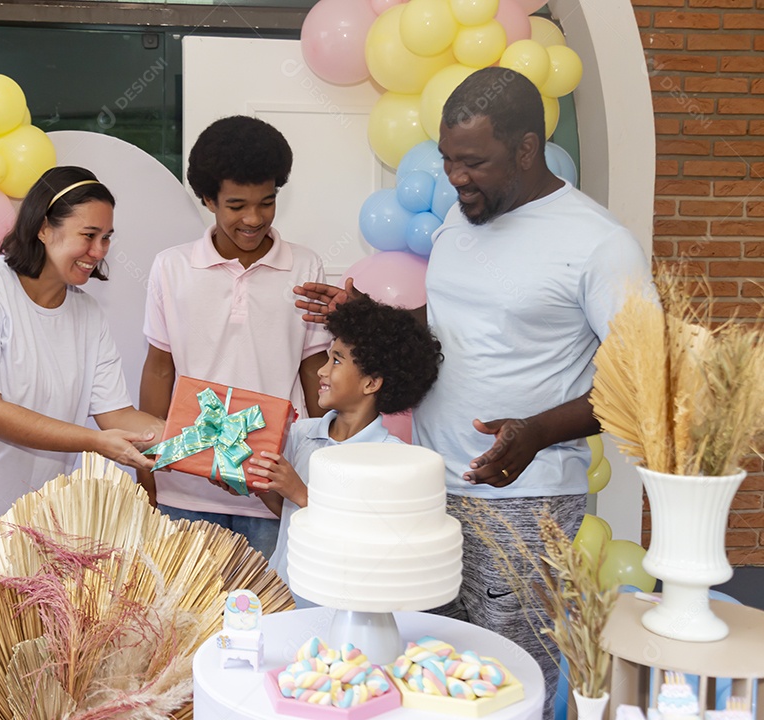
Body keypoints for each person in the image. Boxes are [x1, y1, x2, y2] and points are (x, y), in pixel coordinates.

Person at [293, 67, 651, 719]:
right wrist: (364, 313)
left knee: (509, 675)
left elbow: (646, 378)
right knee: (432, 666)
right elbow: (448, 324)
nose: (455, 179)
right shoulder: (461, 222)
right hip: (431, 488)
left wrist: (537, 430)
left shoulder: (598, 244)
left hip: (525, 497)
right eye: (447, 160)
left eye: (473, 162)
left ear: (526, 148)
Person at [0, 166, 164, 517]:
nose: (98, 251)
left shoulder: (88, 313)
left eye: (106, 237)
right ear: (44, 229)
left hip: (40, 516)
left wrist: (204, 442)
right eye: (89, 235)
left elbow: (118, 415)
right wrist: (94, 441)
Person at [139, 115, 331, 556]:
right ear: (208, 199)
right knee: (187, 622)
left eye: (267, 203)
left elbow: (314, 372)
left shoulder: (305, 267)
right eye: (237, 205)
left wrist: (320, 465)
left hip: (272, 486)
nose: (253, 218)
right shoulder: (171, 267)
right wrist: (147, 470)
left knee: (276, 616)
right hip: (185, 488)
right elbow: (159, 368)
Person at [247, 296, 442, 607]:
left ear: (372, 383)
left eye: (336, 361)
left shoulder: (392, 459)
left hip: (340, 612)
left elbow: (367, 541)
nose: (322, 372)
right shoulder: (302, 435)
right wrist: (259, 485)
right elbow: (289, 513)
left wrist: (299, 492)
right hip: (282, 597)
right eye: (327, 358)